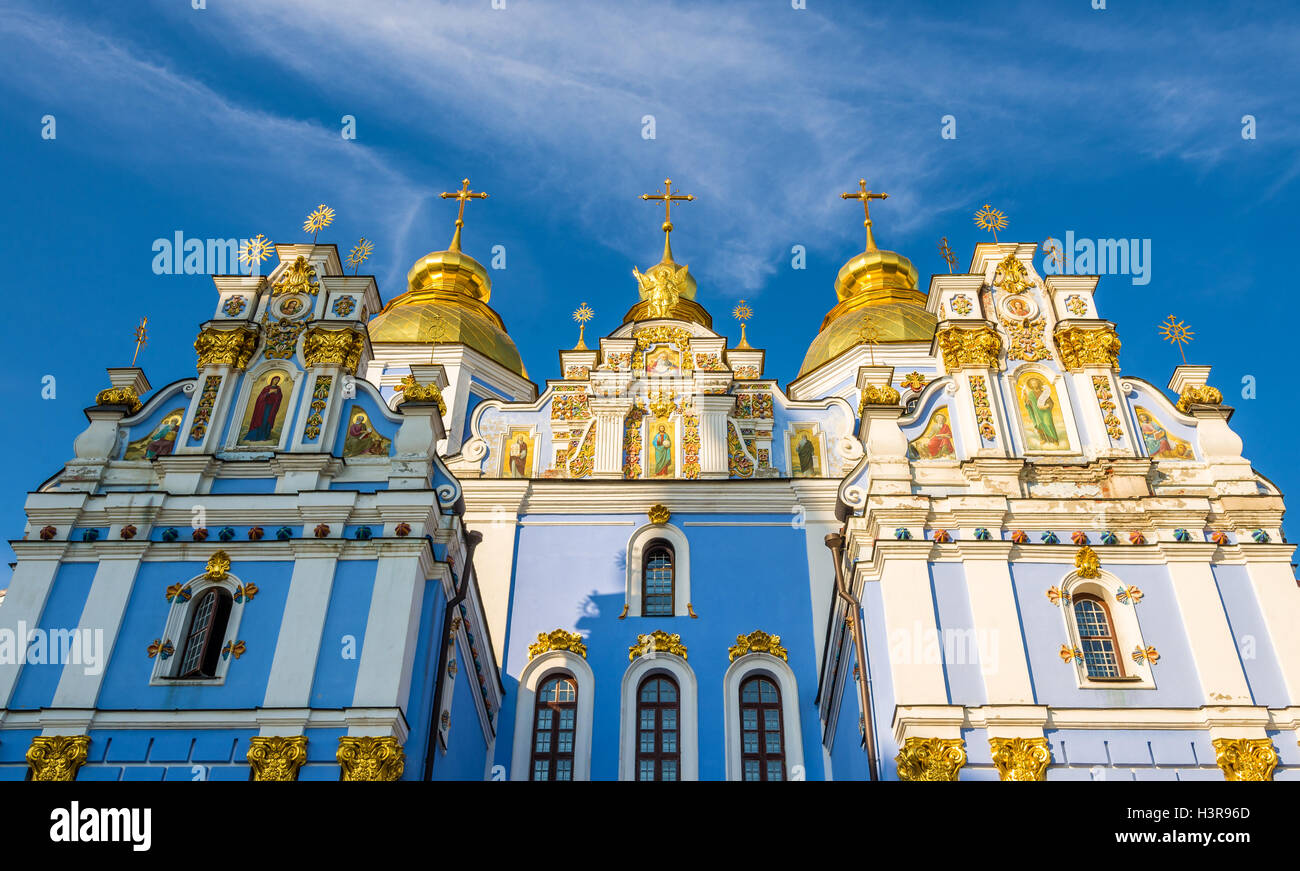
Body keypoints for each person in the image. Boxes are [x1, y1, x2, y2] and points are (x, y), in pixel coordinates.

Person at [244, 375, 284, 442]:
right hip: (263, 407)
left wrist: (277, 394)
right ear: (272, 380)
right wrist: (269, 393)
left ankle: (264, 436)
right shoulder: (266, 388)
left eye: (278, 380)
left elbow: (279, 398)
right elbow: (260, 398)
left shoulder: (278, 389)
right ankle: (255, 437)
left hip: (271, 408)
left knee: (267, 421)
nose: (276, 381)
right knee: (261, 420)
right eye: (275, 379)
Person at [1021, 376, 1059, 445]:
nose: (1034, 384)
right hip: (1037, 412)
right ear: (1030, 385)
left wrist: (1046, 406)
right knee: (1039, 425)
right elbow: (1028, 403)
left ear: (1038, 383)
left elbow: (1050, 402)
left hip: (1045, 412)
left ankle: (1054, 439)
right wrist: (1026, 396)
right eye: (1032, 383)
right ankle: (1043, 438)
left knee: (1048, 424)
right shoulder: (1030, 394)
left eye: (1035, 383)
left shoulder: (1044, 392)